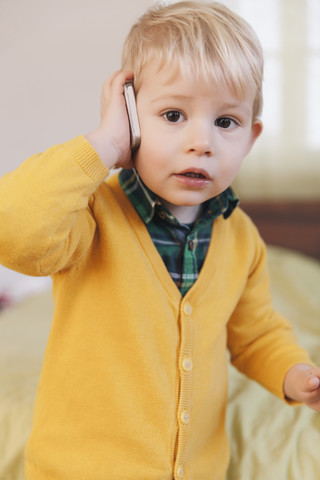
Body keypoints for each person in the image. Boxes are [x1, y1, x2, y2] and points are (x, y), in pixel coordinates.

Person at [0, 2, 319, 479]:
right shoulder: (90, 213)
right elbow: (15, 228)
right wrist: (105, 144)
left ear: (250, 139)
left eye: (225, 122)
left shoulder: (242, 238)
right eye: (173, 114)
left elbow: (256, 335)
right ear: (130, 117)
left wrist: (296, 376)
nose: (201, 141)